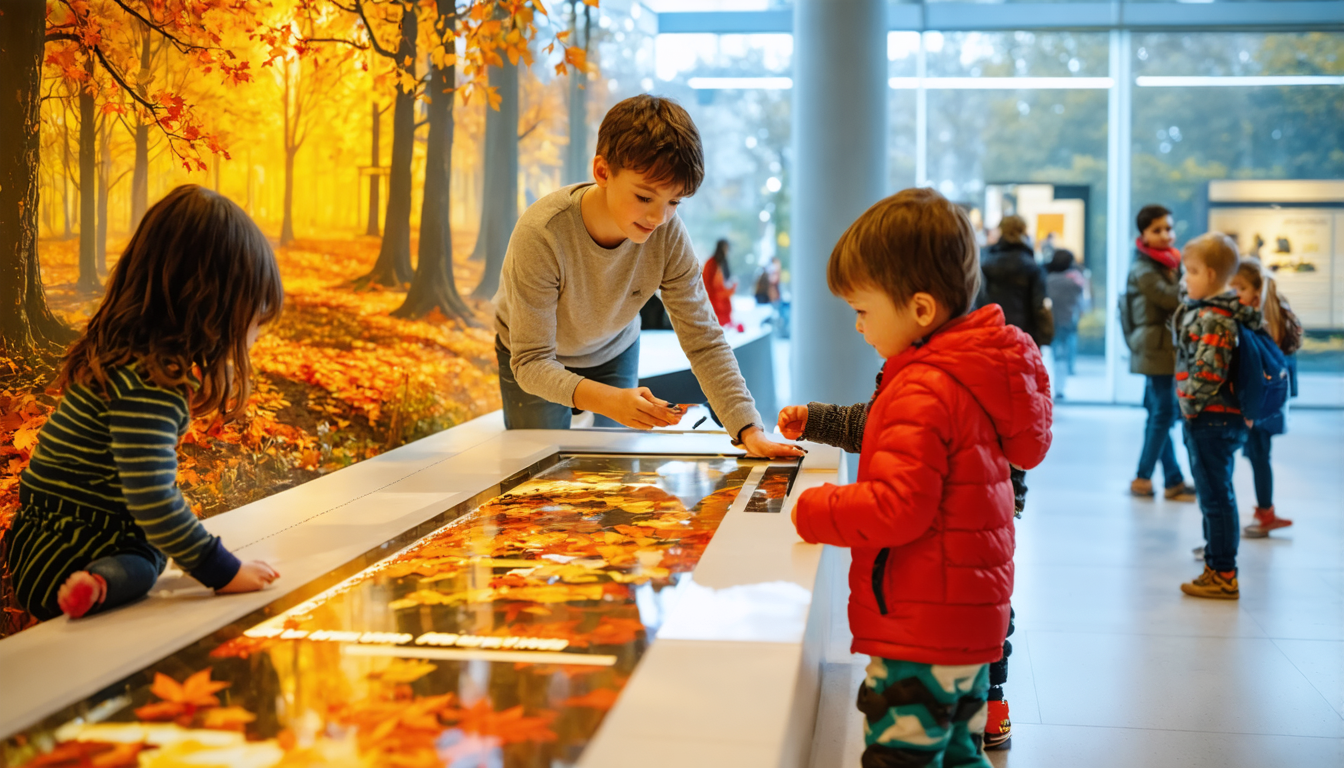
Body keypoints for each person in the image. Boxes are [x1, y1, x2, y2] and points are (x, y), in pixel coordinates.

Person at [780, 188, 1053, 765]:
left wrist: (813, 507)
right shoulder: (971, 371)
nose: (857, 327)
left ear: (920, 310)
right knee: (957, 753)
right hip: (971, 627)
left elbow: (899, 507)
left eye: (862, 310)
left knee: (900, 757)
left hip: (921, 629)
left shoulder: (924, 386)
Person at [8, 185, 282, 621]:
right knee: (151, 555)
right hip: (71, 547)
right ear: (212, 303)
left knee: (151, 548)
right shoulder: (151, 385)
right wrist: (223, 572)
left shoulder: (118, 359)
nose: (257, 329)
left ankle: (96, 587)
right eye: (255, 310)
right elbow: (153, 500)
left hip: (42, 539)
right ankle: (97, 580)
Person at [491, 95, 800, 459]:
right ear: (603, 172)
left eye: (674, 202)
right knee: (534, 465)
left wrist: (749, 429)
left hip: (613, 349)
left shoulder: (668, 235)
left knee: (616, 471)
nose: (659, 218)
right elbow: (532, 362)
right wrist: (606, 400)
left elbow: (704, 340)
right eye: (644, 197)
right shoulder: (542, 233)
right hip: (532, 357)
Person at [1175, 233, 1259, 600]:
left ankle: (1223, 572)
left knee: (1215, 497)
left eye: (1191, 272)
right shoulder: (1218, 312)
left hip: (1211, 419)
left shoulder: (1214, 318)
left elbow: (1208, 373)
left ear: (1210, 274)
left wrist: (1189, 406)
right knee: (1216, 494)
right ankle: (1217, 564)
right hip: (1221, 419)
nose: (1185, 279)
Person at [1125, 205, 1198, 502]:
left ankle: (1173, 480)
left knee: (1158, 413)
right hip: (1157, 348)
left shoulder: (1170, 263)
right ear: (1143, 234)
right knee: (1165, 412)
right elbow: (1171, 298)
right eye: (1158, 230)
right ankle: (1142, 477)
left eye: (1169, 228)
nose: (1166, 235)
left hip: (1165, 346)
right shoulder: (1144, 268)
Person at [1230, 260, 1302, 538]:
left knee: (1256, 457)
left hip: (1255, 404)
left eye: (1241, 287)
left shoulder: (1255, 320)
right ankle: (1264, 510)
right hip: (1272, 402)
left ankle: (1265, 512)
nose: (1235, 293)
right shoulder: (1278, 310)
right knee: (1260, 456)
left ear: (1257, 290)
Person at [977, 214, 1051, 347]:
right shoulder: (1032, 265)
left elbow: (979, 301)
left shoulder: (986, 262)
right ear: (1023, 231)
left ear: (1001, 231)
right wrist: (1044, 337)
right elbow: (1039, 305)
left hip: (992, 333)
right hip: (1022, 336)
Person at [1045, 249, 1089, 401]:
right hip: (1067, 319)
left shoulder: (1047, 280)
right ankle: (1059, 387)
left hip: (1049, 320)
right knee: (1062, 353)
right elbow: (1081, 303)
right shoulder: (1074, 282)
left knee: (1051, 353)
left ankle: (1051, 386)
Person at [703, 238, 741, 331]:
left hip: (724, 303)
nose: (726, 251)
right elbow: (707, 284)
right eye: (725, 248)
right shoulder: (711, 263)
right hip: (714, 303)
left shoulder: (723, 263)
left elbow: (726, 282)